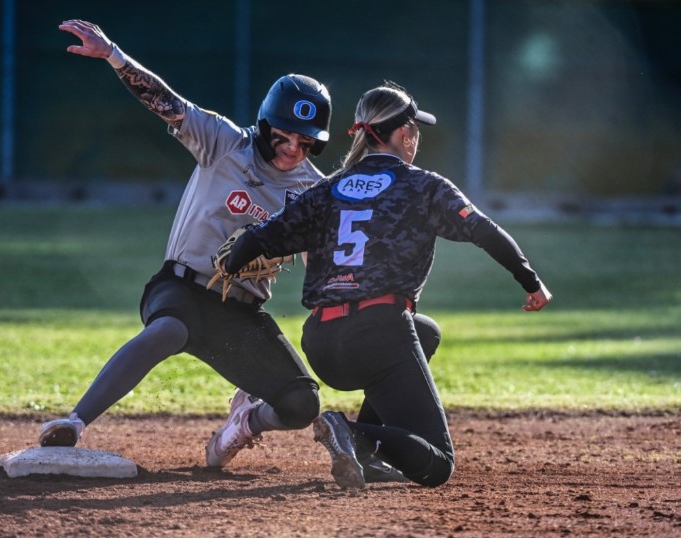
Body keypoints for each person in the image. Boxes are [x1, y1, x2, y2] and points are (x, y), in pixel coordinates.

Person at [217, 81, 553, 489]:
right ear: (405, 134)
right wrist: (531, 282)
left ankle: (365, 455)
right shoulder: (423, 186)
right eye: (415, 129)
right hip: (379, 334)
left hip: (323, 343)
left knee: (426, 332)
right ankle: (350, 432)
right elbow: (486, 231)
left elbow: (255, 240)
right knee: (438, 463)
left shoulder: (326, 189)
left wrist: (230, 265)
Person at [39, 19, 333, 470]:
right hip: (180, 288)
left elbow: (319, 261)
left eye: (305, 141)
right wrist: (114, 55)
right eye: (284, 134)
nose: (293, 147)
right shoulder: (225, 143)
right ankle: (74, 423)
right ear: (265, 125)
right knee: (170, 330)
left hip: (241, 313)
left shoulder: (314, 189)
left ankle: (245, 423)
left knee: (301, 404)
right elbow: (168, 104)